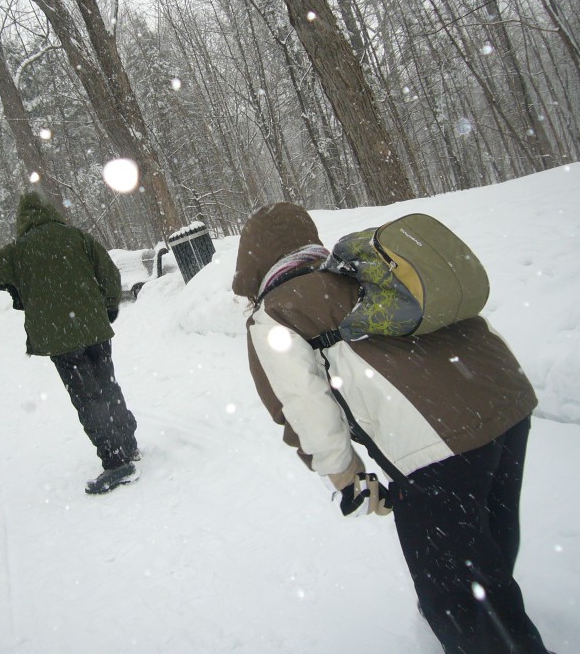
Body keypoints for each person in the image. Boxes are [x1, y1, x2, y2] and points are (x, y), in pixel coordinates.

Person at [231, 202, 553, 654]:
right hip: (505, 399)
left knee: (458, 587)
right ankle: (484, 608)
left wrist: (344, 474)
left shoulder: (275, 311)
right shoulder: (364, 271)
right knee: (487, 536)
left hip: (439, 446)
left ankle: (484, 629)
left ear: (250, 262)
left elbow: (303, 406)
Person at [0, 191, 139, 495]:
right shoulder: (77, 237)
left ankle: (116, 462)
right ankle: (128, 445)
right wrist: (110, 305)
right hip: (95, 330)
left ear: (22, 220)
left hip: (61, 339)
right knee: (108, 386)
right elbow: (109, 271)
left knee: (87, 398)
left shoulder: (18, 251)